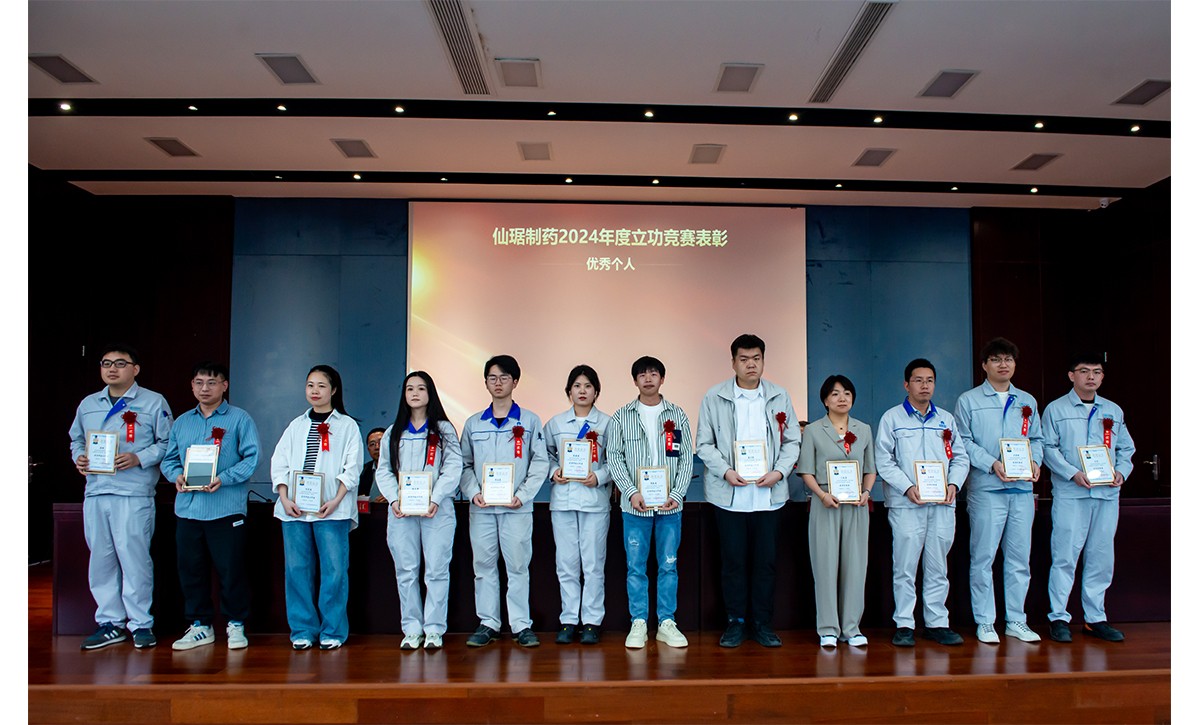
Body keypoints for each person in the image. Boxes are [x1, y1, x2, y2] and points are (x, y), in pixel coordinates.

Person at [696, 334, 800, 648]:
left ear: (763, 361)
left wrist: (779, 472)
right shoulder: (714, 396)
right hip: (730, 497)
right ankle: (735, 623)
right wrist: (726, 471)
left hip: (768, 496)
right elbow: (704, 444)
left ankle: (762, 623)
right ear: (733, 363)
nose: (750, 364)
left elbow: (792, 441)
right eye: (744, 359)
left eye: (756, 358)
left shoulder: (779, 395)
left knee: (765, 564)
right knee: (733, 564)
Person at [69, 344, 173, 650]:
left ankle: (141, 623)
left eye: (120, 363)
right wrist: (79, 457)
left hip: (133, 492)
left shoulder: (153, 402)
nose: (112, 369)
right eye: (106, 363)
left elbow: (168, 443)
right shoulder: (89, 404)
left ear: (135, 369)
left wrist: (140, 458)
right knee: (101, 560)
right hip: (96, 491)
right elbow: (76, 439)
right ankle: (110, 622)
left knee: (134, 559)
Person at [160, 361, 260, 650]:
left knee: (231, 570)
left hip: (225, 508)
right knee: (190, 570)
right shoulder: (182, 422)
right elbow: (169, 459)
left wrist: (224, 478)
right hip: (188, 509)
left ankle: (236, 624)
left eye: (212, 382)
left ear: (224, 386)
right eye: (199, 382)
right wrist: (176, 476)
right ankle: (200, 625)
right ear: (192, 386)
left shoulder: (239, 419)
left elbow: (252, 458)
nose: (205, 388)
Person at [953, 338, 1043, 644]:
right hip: (987, 489)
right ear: (984, 365)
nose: (1003, 364)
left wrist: (1035, 461)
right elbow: (963, 441)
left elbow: (1037, 439)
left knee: (1019, 559)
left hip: (1021, 491)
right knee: (983, 557)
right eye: (996, 359)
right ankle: (985, 621)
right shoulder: (969, 400)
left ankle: (1016, 619)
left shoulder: (1026, 400)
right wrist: (991, 463)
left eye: (1008, 359)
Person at [1042, 352, 1135, 643]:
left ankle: (1095, 618)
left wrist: (1121, 471)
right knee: (1065, 556)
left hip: (1106, 494)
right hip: (1073, 493)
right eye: (1084, 371)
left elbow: (1126, 448)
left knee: (1101, 557)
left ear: (1102, 377)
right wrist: (1071, 473)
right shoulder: (1056, 409)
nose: (1091, 376)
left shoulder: (1113, 410)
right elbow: (1047, 448)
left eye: (1096, 371)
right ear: (1072, 376)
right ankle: (1058, 617)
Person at [875, 358, 968, 647]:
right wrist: (907, 487)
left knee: (938, 566)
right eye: (918, 380)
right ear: (907, 384)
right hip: (907, 505)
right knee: (905, 567)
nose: (924, 385)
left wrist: (953, 484)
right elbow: (883, 460)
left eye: (929, 380)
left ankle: (936, 623)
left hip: (941, 504)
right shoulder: (892, 419)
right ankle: (904, 623)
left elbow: (961, 458)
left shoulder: (946, 420)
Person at [459, 355, 550, 648]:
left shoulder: (530, 421)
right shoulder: (474, 423)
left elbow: (540, 463)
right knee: (483, 565)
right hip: (482, 509)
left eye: (504, 378)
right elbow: (464, 464)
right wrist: (473, 492)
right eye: (492, 378)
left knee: (518, 566)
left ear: (515, 382)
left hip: (516, 509)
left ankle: (521, 625)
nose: (498, 383)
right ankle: (489, 623)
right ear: (485, 382)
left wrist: (522, 495)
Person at [270, 364, 362, 650]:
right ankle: (302, 629)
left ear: (333, 390)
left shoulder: (346, 426)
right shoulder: (295, 425)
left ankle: (332, 630)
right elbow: (279, 463)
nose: (314, 391)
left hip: (331, 509)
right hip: (295, 509)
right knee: (297, 570)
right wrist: (284, 497)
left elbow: (353, 467)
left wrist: (337, 499)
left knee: (334, 571)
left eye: (321, 385)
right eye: (310, 385)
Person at [606, 356, 693, 649]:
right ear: (635, 381)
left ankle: (666, 622)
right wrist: (630, 491)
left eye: (653, 373)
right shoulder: (622, 416)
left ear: (662, 379)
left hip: (670, 506)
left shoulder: (677, 414)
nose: (648, 378)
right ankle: (639, 622)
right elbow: (614, 457)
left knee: (668, 565)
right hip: (635, 507)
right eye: (642, 374)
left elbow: (686, 457)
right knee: (636, 567)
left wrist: (677, 494)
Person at [375, 371, 463, 651]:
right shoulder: (394, 432)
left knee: (436, 570)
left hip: (436, 511)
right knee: (406, 570)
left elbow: (453, 468)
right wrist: (394, 499)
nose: (414, 393)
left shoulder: (443, 430)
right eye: (409, 388)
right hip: (402, 513)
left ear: (430, 393)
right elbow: (384, 470)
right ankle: (412, 629)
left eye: (421, 388)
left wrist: (436, 498)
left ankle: (434, 628)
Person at [797, 374, 876, 648]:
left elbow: (870, 468)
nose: (842, 398)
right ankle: (828, 628)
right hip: (825, 503)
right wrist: (821, 495)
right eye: (835, 394)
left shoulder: (864, 429)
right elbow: (806, 470)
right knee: (825, 565)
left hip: (856, 505)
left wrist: (866, 492)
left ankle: (852, 628)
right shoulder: (814, 430)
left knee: (856, 566)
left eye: (847, 393)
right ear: (825, 400)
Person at [544, 365, 612, 645]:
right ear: (568, 391)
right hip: (563, 502)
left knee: (594, 564)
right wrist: (553, 472)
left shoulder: (607, 423)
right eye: (577, 386)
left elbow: (616, 459)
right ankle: (569, 619)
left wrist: (600, 476)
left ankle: (592, 621)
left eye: (588, 386)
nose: (582, 391)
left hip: (595, 502)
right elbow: (544, 455)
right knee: (566, 564)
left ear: (596, 391)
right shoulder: (556, 424)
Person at [359, 427, 386, 501]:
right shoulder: (363, 471)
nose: (377, 447)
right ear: (368, 449)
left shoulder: (401, 468)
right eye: (372, 444)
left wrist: (394, 498)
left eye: (381, 442)